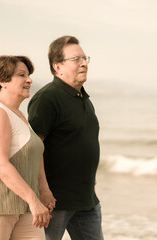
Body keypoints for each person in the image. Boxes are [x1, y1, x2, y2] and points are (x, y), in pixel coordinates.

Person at [0, 55, 54, 240]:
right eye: (21, 75)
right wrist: (34, 200)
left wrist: (44, 190)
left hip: (23, 205)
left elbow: (35, 153)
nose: (29, 80)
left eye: (29, 75)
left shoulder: (20, 115)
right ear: (2, 81)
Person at [28, 36, 104, 240]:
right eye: (76, 59)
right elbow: (33, 149)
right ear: (57, 66)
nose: (84, 63)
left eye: (85, 58)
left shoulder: (83, 98)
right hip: (55, 203)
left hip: (87, 200)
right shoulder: (47, 98)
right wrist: (43, 190)